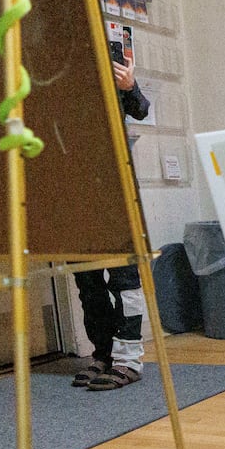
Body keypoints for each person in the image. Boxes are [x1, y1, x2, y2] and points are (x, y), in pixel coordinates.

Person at [73, 49, 152, 390]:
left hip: (115, 191)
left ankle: (129, 358)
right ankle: (103, 353)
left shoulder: (106, 53)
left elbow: (141, 108)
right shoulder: (49, 68)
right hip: (72, 194)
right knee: (87, 282)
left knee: (124, 279)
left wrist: (129, 85)